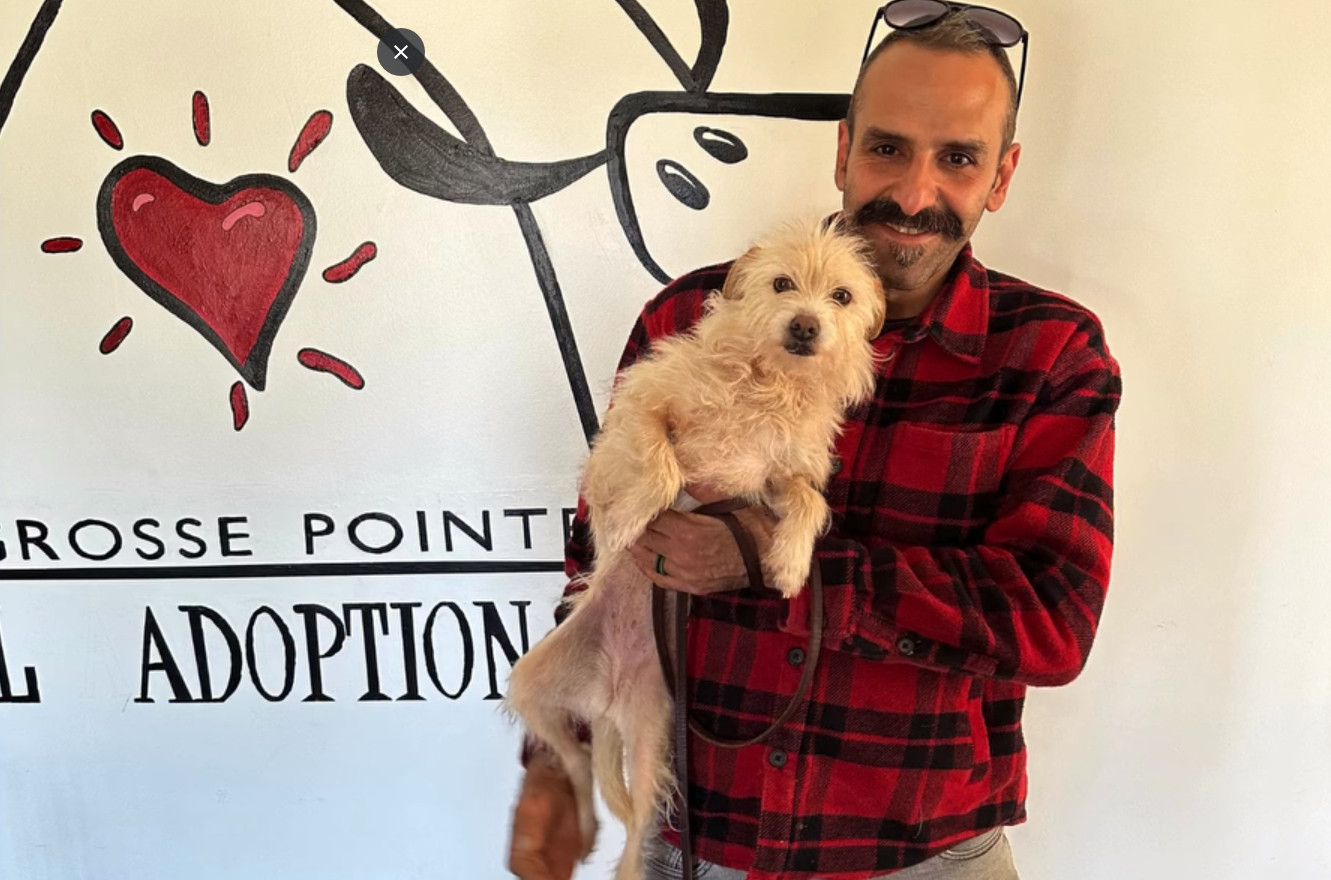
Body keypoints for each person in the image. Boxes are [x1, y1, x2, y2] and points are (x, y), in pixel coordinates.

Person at [507, 5, 1121, 879]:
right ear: (842, 151)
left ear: (1001, 174)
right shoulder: (690, 315)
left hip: (921, 851)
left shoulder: (1049, 354)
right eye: (887, 148)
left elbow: (1051, 621)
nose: (913, 194)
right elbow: (595, 552)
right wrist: (555, 763)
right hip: (697, 838)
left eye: (957, 158)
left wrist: (777, 561)